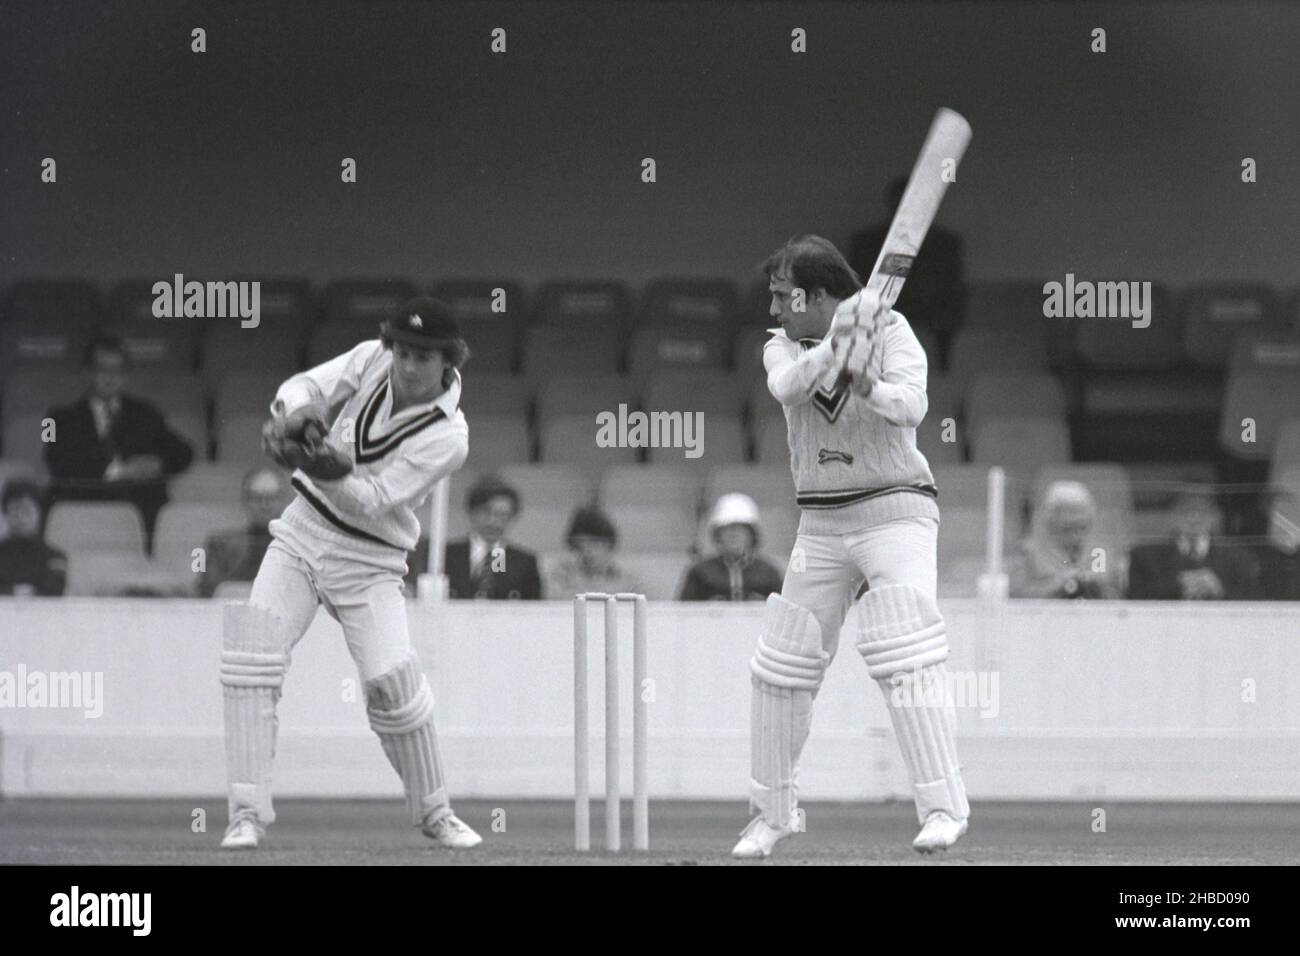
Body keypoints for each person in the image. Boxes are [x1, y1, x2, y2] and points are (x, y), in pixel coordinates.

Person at [733, 234, 968, 859]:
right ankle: (772, 814)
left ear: (814, 293)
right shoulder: (781, 345)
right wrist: (840, 345)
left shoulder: (891, 329)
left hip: (896, 508)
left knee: (905, 650)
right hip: (822, 523)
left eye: (785, 296)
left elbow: (912, 406)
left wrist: (867, 382)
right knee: (783, 665)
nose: (776, 309)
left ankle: (943, 808)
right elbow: (788, 389)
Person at [219, 297, 482, 851]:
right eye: (404, 352)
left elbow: (376, 499)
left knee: (394, 689)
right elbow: (304, 385)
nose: (409, 366)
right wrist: (292, 417)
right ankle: (245, 815)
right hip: (302, 532)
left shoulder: (449, 436)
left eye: (424, 357)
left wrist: (317, 463)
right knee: (251, 659)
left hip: (372, 560)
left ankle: (435, 812)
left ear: (449, 361)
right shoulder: (369, 359)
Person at [43, 335, 194, 553]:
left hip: (140, 515)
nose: (110, 378)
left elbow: (184, 452)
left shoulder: (146, 413)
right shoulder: (58, 418)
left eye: (118, 370)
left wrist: (157, 464)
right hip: (85, 512)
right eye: (102, 369)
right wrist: (117, 471)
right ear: (87, 372)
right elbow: (54, 461)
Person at [406, 474, 542, 599]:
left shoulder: (524, 562)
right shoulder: (443, 555)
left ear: (512, 517)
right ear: (472, 512)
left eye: (502, 515)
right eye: (486, 512)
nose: (493, 521)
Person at [1127, 488, 1262, 600]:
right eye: (1185, 510)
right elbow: (1133, 599)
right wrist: (1177, 585)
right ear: (1171, 516)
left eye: (1202, 511)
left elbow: (1256, 605)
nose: (1193, 518)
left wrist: (1219, 590)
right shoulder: (1144, 556)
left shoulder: (1239, 557)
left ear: (1215, 517)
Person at [1008, 481, 1123, 599]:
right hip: (1047, 615)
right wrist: (1058, 585)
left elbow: (1116, 595)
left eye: (1081, 511)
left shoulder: (1101, 551)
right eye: (1068, 512)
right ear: (1049, 519)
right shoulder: (1028, 551)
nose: (1075, 518)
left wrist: (1095, 585)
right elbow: (1016, 595)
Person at [197, 466, 293, 598]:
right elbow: (204, 592)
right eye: (257, 497)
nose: (265, 504)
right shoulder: (218, 545)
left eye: (272, 497)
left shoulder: (301, 546)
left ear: (285, 501)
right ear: (244, 500)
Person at [678, 493, 782, 601]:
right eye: (728, 529)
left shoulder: (768, 573)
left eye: (741, 529)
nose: (734, 535)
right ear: (718, 535)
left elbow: (783, 612)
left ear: (752, 534)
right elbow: (681, 613)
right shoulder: (700, 573)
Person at [545, 506, 641, 599]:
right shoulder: (560, 578)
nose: (587, 551)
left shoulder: (629, 581)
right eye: (580, 546)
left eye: (594, 544)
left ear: (609, 545)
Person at [0, 477, 67, 596]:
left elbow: (53, 591)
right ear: (6, 514)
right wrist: (15, 591)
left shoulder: (54, 556)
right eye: (15, 510)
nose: (21, 518)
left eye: (27, 511)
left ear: (39, 513)